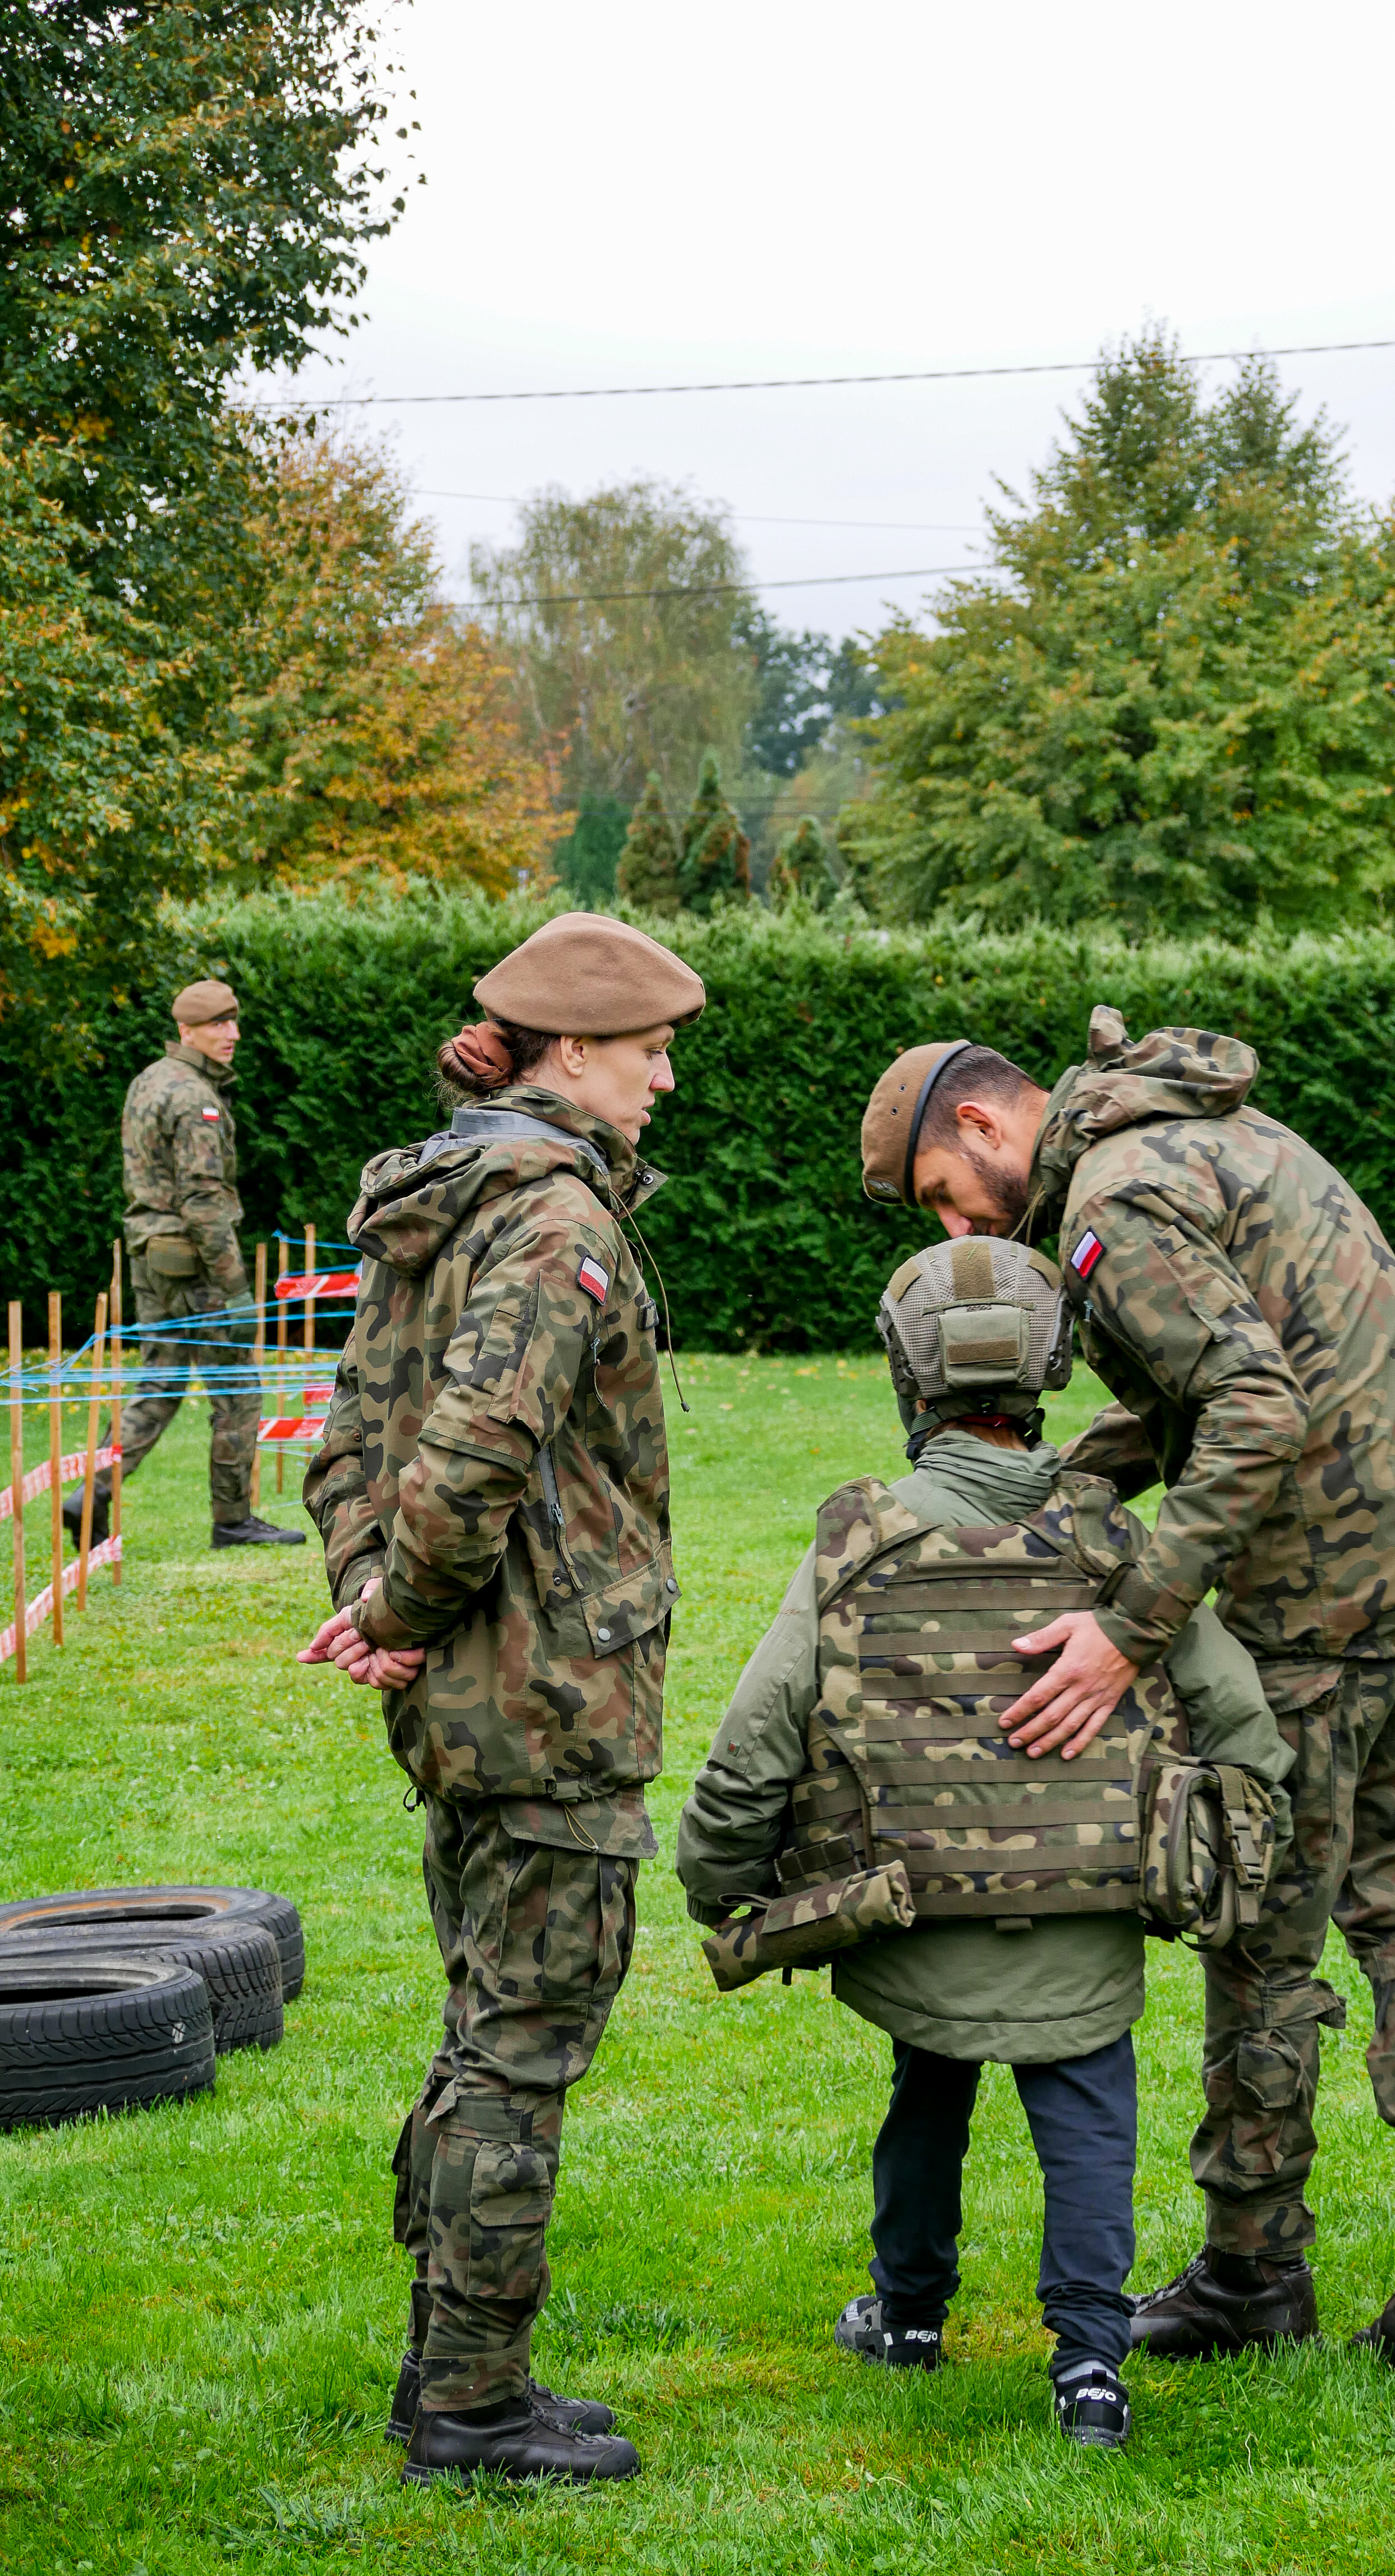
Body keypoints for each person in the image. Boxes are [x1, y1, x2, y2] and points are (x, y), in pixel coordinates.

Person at [855, 1011, 1395, 2374]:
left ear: (985, 1126)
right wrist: (1062, 1489)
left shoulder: (1115, 1198)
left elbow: (1250, 1410)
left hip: (1325, 1592)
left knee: (1259, 1930)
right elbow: (1214, 1392)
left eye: (940, 1193)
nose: (951, 1227)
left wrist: (1129, 1622)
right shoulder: (1209, 1132)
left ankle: (1248, 2267)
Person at [676, 1235, 1292, 2451]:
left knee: (925, 2097)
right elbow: (1247, 1736)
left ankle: (907, 2315)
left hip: (913, 1922)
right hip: (1088, 1928)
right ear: (1051, 1368)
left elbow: (754, 1740)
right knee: (1089, 2126)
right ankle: (1089, 2367)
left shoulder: (859, 1541)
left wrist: (715, 1880)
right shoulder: (1120, 1550)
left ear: (907, 1376)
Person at [298, 912, 705, 2488]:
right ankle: (472, 2407)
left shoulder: (439, 1197)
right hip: (547, 1693)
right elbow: (467, 1449)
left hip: (475, 1686)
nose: (666, 1078)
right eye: (651, 1050)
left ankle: (444, 2380)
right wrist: (393, 1606)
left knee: (485, 2028)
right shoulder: (549, 1219)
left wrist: (377, 1609)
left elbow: (351, 1440)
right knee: (522, 2046)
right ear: (575, 1049)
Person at [72, 977, 302, 1547]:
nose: (233, 1034)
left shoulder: (150, 1079)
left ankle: (90, 1494)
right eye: (218, 1024)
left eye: (233, 1022)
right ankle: (232, 1520)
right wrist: (236, 1286)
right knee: (238, 1387)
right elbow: (202, 1200)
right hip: (194, 1260)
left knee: (160, 1381)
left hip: (151, 1251)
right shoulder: (194, 1096)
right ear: (187, 1030)